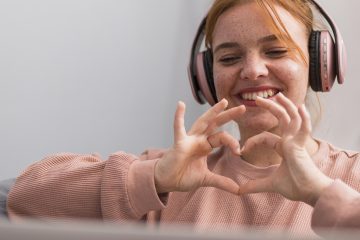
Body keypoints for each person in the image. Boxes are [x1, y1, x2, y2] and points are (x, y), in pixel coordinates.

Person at [6, 0, 360, 238]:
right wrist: (152, 179)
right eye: (229, 57)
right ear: (206, 78)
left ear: (319, 62)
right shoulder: (174, 176)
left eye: (276, 50)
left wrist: (320, 192)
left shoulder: (352, 177)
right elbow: (22, 198)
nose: (252, 70)